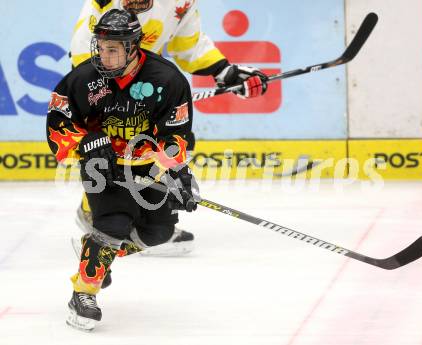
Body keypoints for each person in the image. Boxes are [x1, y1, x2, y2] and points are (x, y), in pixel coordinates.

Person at [70, 0, 268, 257]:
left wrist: (225, 71)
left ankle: (149, 219)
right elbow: (84, 50)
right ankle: (96, 215)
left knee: (172, 143)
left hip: (146, 80)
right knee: (111, 150)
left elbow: (187, 44)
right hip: (106, 81)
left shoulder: (181, 2)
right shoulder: (106, 3)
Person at [47, 9, 199, 331]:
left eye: (112, 48)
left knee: (156, 233)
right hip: (102, 166)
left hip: (144, 167)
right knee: (113, 223)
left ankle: (98, 255)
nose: (104, 54)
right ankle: (83, 293)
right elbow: (59, 121)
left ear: (133, 47)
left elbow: (177, 135)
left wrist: (176, 173)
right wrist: (86, 140)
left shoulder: (166, 79)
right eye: (101, 46)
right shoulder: (84, 78)